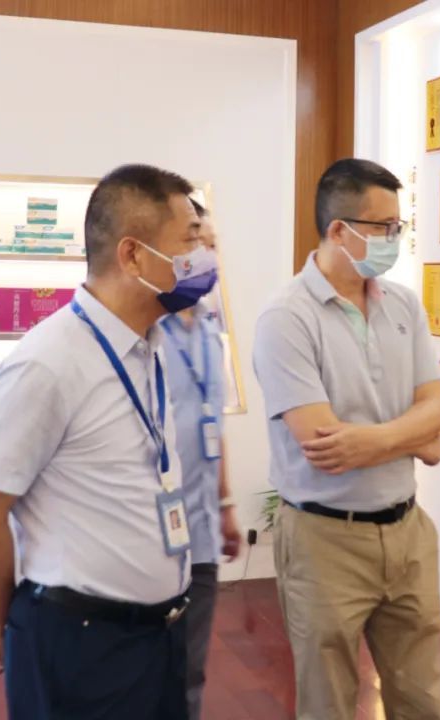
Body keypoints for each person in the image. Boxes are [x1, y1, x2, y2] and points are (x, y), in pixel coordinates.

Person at [0, 164, 215, 719]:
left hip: (158, 635)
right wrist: (6, 623)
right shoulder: (46, 363)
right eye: (189, 241)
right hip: (81, 644)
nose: (203, 258)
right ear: (133, 255)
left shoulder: (147, 345)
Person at [253, 158, 440, 720]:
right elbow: (326, 447)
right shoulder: (286, 318)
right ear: (339, 229)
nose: (395, 238)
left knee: (423, 700)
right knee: (328, 703)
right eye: (384, 226)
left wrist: (379, 438)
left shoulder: (403, 304)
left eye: (398, 226)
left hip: (407, 531)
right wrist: (414, 435)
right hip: (324, 539)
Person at [160, 197, 243, 719]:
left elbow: (214, 423)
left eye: (213, 245)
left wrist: (226, 504)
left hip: (203, 527)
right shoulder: (145, 331)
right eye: (196, 243)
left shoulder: (211, 326)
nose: (208, 256)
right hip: (153, 531)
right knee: (150, 668)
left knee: (192, 667)